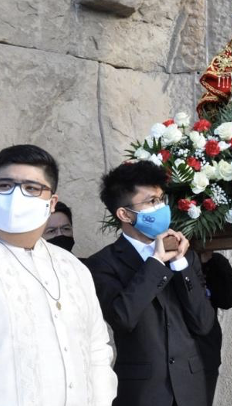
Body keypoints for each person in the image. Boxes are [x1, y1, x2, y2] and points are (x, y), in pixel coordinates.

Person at [86, 161, 215, 406]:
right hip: (142, 393)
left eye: (161, 199)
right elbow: (122, 317)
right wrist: (156, 262)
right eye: (151, 201)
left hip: (191, 389)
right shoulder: (102, 263)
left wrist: (179, 264)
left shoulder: (185, 255)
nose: (160, 207)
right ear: (124, 214)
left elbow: (203, 323)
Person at [0, 144, 117, 406]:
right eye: (4, 186)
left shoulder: (73, 268)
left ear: (52, 202)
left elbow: (97, 350)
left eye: (31, 188)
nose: (16, 196)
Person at [196, 250, 232, 406]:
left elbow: (228, 298)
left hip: (203, 353)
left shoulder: (215, 261)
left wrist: (208, 262)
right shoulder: (163, 258)